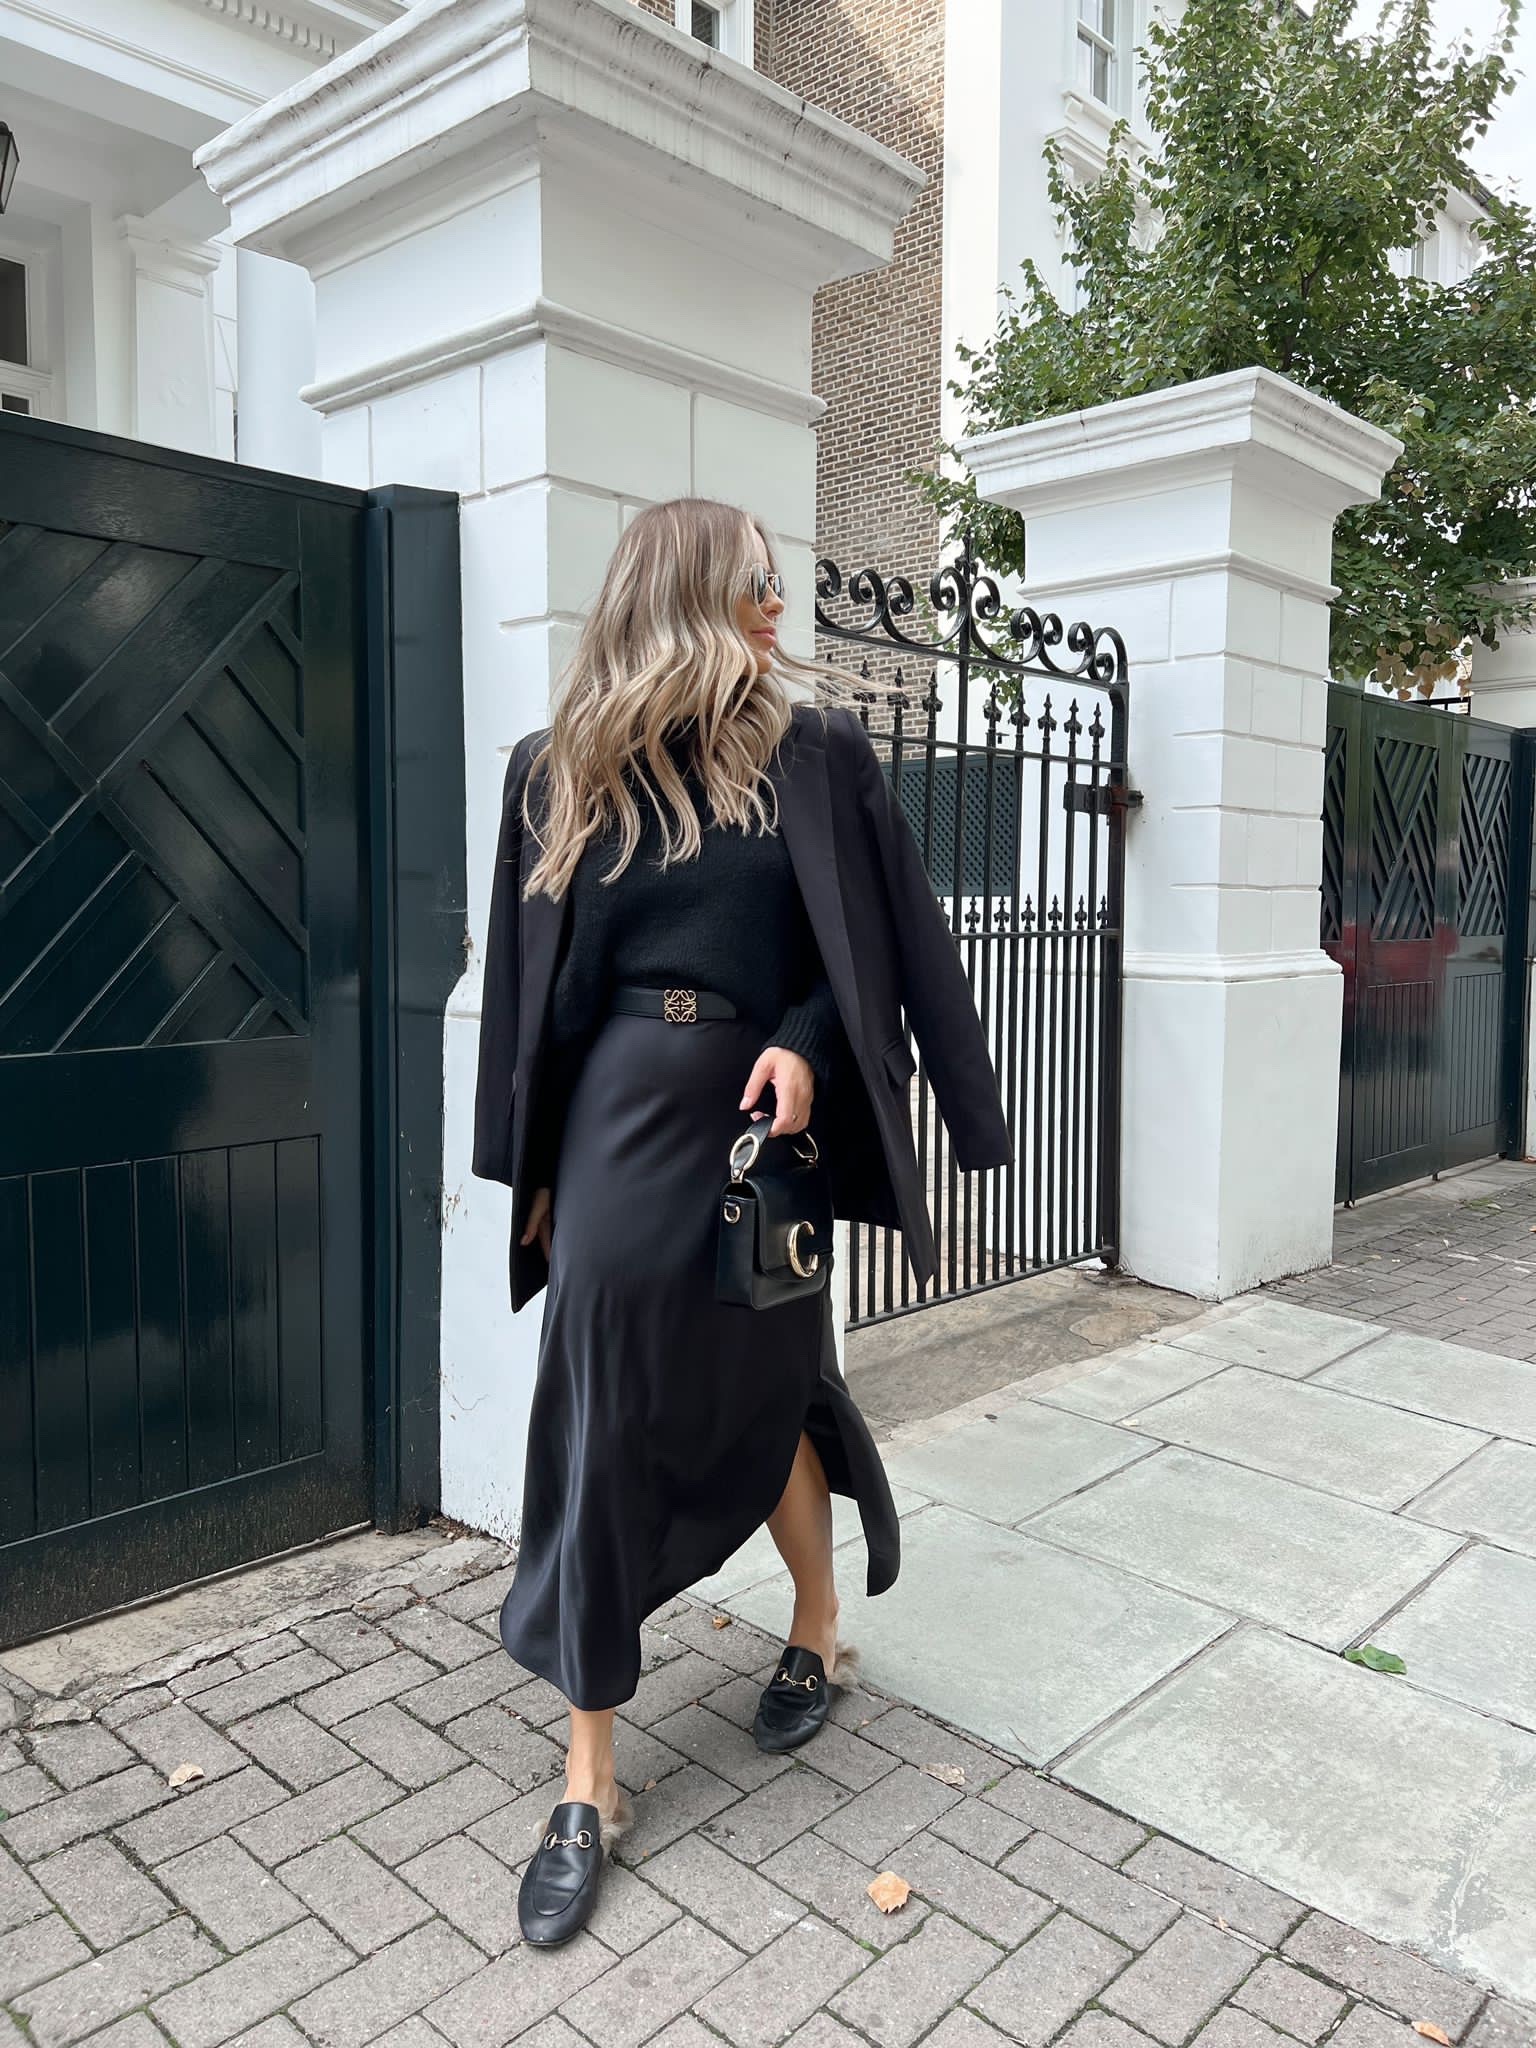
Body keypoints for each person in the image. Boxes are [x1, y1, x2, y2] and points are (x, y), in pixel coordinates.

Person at [471, 498, 1012, 1946]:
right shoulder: (556, 767)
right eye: (764, 586)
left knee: (775, 1376)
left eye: (783, 586)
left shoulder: (812, 756)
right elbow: (531, 993)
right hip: (607, 1127)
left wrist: (808, 1043)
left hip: (761, 1116)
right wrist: (525, 1173)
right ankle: (589, 1776)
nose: (785, 606)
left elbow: (878, 944)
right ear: (692, 594)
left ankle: (818, 1628)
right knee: (596, 1414)